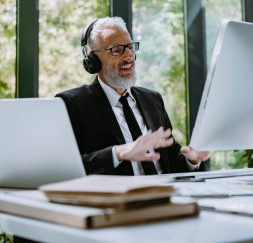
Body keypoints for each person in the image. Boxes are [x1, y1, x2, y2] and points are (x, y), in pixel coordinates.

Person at [57, 17, 211, 175]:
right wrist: (117, 153)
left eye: (130, 47)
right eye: (117, 50)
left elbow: (171, 164)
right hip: (117, 197)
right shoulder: (72, 104)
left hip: (163, 194)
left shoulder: (153, 99)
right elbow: (63, 166)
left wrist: (192, 159)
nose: (129, 56)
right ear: (93, 60)